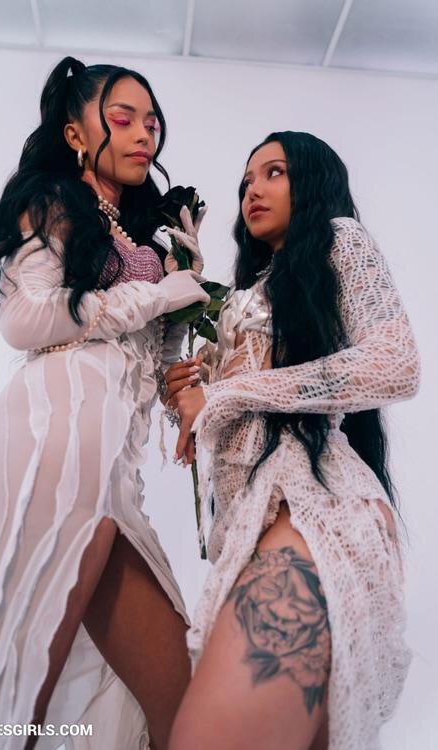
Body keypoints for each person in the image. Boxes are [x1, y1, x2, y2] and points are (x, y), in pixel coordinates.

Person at [0, 56, 210, 750]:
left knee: (183, 702)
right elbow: (25, 319)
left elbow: (151, 357)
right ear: (74, 133)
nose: (144, 133)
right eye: (123, 118)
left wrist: (183, 324)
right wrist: (157, 293)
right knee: (18, 689)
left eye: (152, 123)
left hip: (108, 458)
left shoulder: (138, 231)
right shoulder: (54, 202)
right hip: (50, 435)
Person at [164, 132, 420, 750]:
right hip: (246, 524)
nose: (254, 188)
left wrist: (226, 395)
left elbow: (395, 363)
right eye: (247, 180)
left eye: (274, 172)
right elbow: (229, 408)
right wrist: (188, 386)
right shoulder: (250, 293)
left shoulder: (339, 237)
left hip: (311, 501)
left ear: (312, 181)